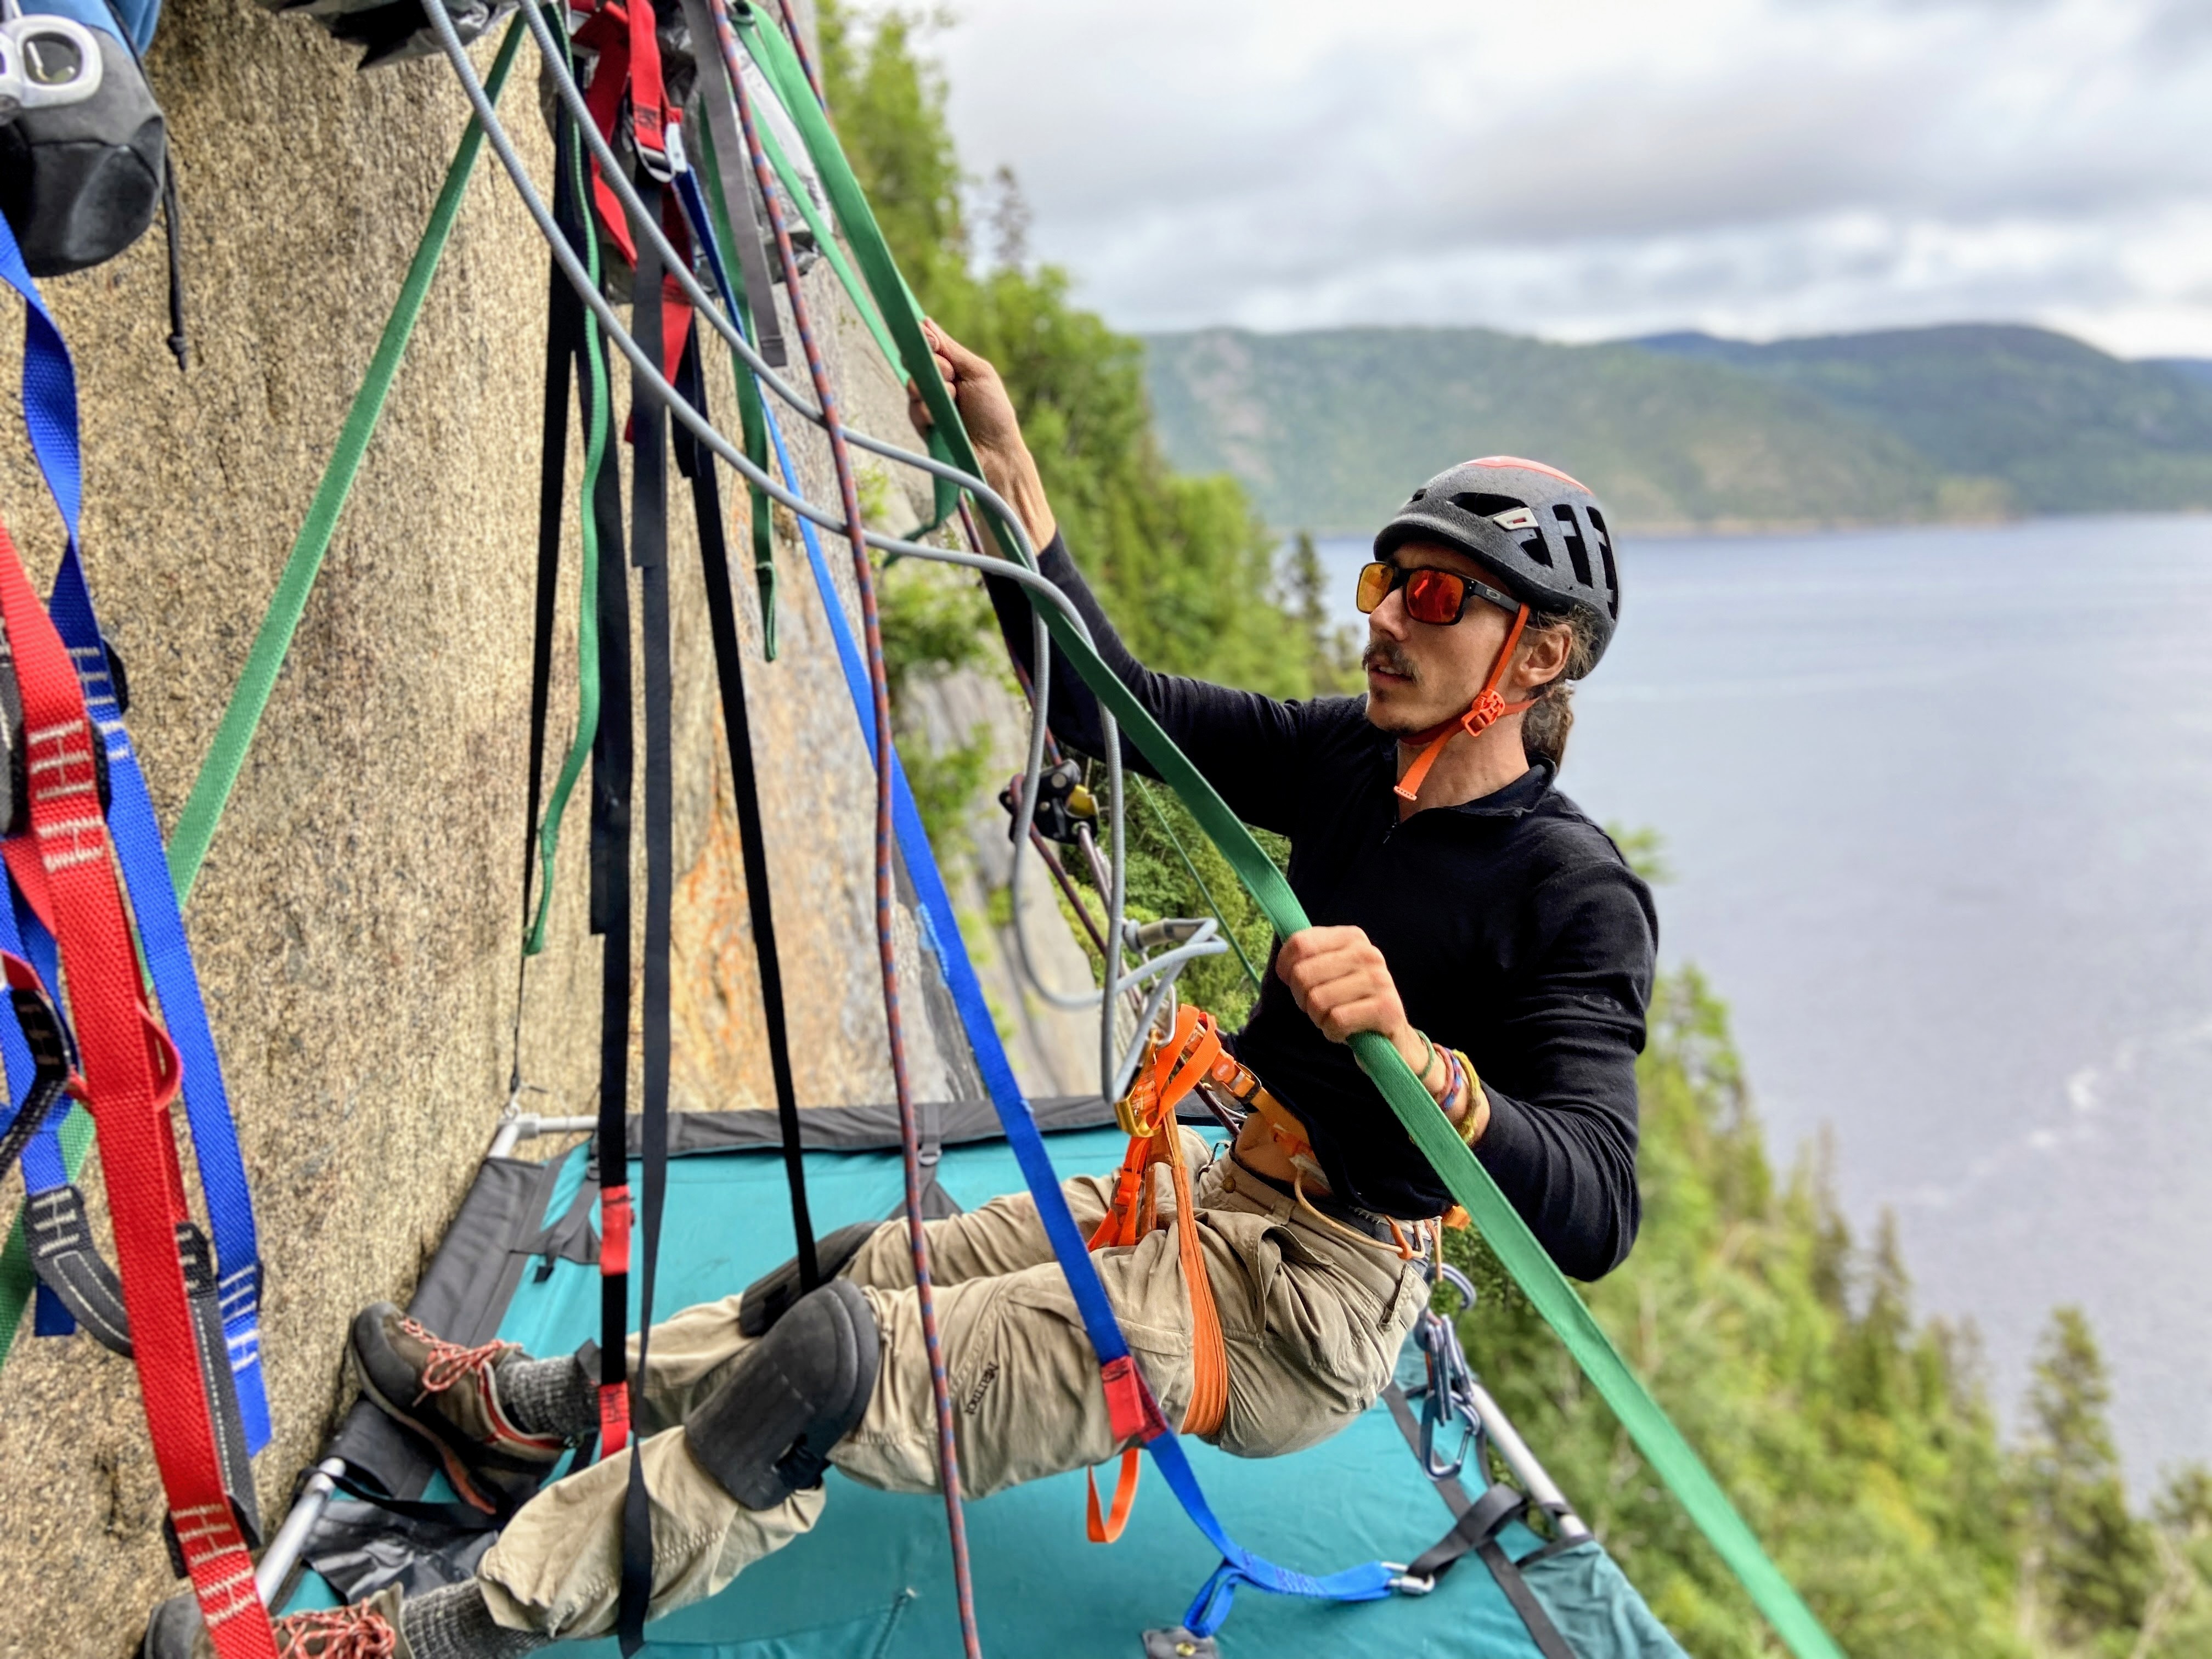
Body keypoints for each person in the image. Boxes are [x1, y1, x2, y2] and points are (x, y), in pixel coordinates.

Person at [145, 324, 1655, 1658]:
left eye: (1441, 593)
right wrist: (1005, 476)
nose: (1385, 615)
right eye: (1389, 575)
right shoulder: (1349, 761)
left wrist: (1426, 1060)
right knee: (843, 1273)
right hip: (1217, 1195)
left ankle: (444, 1634)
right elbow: (1104, 710)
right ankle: (523, 1418)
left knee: (821, 1374)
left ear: (1540, 657)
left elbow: (1594, 1207)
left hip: (1299, 1305)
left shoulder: (1571, 898)